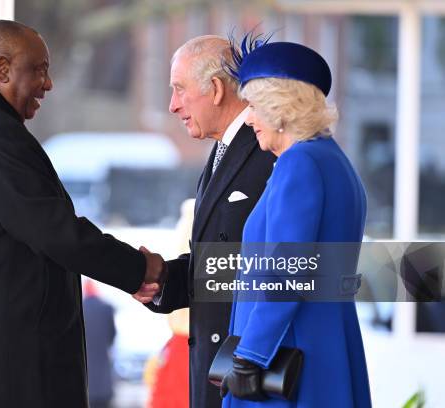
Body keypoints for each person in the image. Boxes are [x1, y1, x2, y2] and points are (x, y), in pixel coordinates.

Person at [0, 20, 165, 408]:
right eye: (39, 69)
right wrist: (140, 270)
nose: (48, 83)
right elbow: (56, 232)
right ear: (3, 69)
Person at [220, 35, 372, 407]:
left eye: (254, 105)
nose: (249, 118)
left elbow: (287, 271)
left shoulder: (299, 163)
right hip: (323, 346)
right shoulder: (333, 160)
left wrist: (250, 355)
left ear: (281, 106)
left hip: (284, 355)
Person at [133, 35, 275, 408]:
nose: (172, 105)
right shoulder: (221, 151)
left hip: (247, 370)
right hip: (218, 368)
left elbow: (277, 271)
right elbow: (218, 265)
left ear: (214, 89)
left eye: (179, 89)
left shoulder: (268, 147)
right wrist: (163, 280)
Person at [82, 279, 116, 408]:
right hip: (103, 379)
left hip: (85, 379)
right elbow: (112, 336)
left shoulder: (80, 309)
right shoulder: (106, 308)